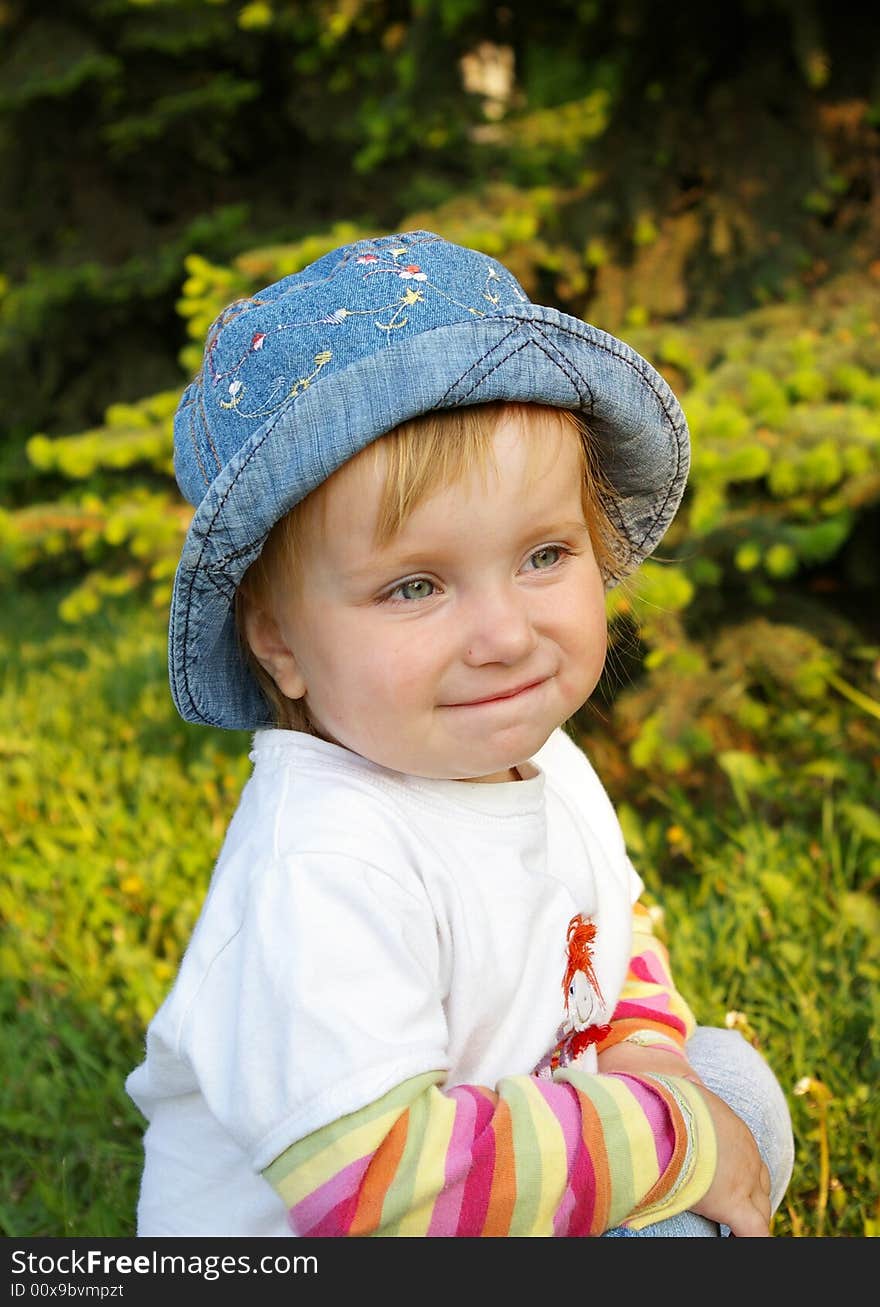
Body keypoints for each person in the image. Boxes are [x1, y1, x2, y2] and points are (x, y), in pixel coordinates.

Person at [126, 229, 794, 1237]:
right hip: (360, 1222)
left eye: (542, 554)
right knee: (687, 1193)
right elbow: (383, 1183)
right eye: (416, 584)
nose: (504, 633)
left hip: (508, 1145)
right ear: (279, 642)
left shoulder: (541, 762)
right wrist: (672, 1142)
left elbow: (609, 927)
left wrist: (651, 1066)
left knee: (729, 1080)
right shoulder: (321, 864)